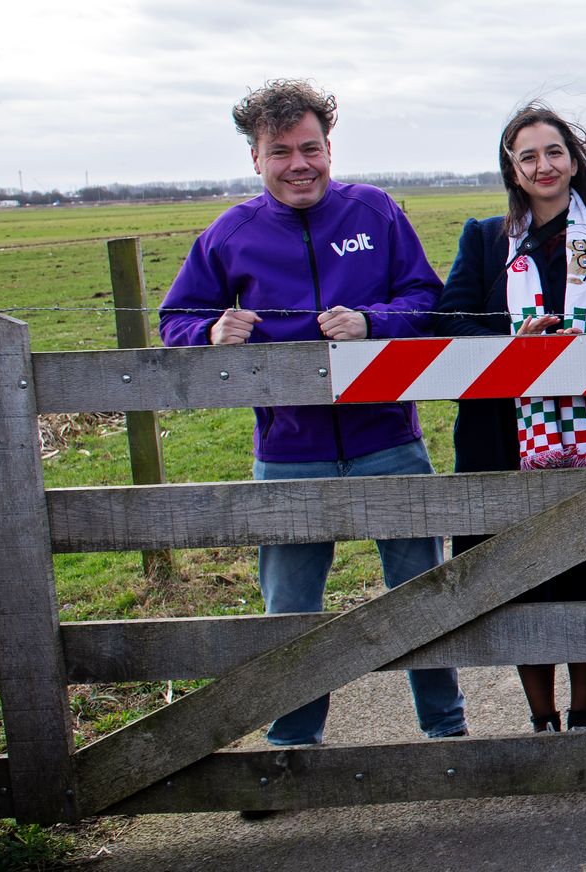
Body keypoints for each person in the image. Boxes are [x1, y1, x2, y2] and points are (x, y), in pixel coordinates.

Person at [158, 80, 468, 755]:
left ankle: (447, 735)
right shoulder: (228, 235)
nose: (299, 164)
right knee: (291, 610)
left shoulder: (376, 213)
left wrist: (373, 322)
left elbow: (426, 296)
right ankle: (292, 747)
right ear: (256, 159)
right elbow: (174, 321)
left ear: (329, 147)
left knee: (421, 591)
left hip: (389, 438)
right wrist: (211, 332)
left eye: (310, 148)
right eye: (281, 152)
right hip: (288, 448)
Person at [435, 102, 586, 733]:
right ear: (512, 168)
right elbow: (451, 317)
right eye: (527, 155)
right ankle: (540, 715)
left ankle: (583, 712)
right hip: (503, 431)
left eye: (554, 151)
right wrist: (512, 337)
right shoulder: (484, 238)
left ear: (573, 158)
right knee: (518, 570)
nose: (543, 165)